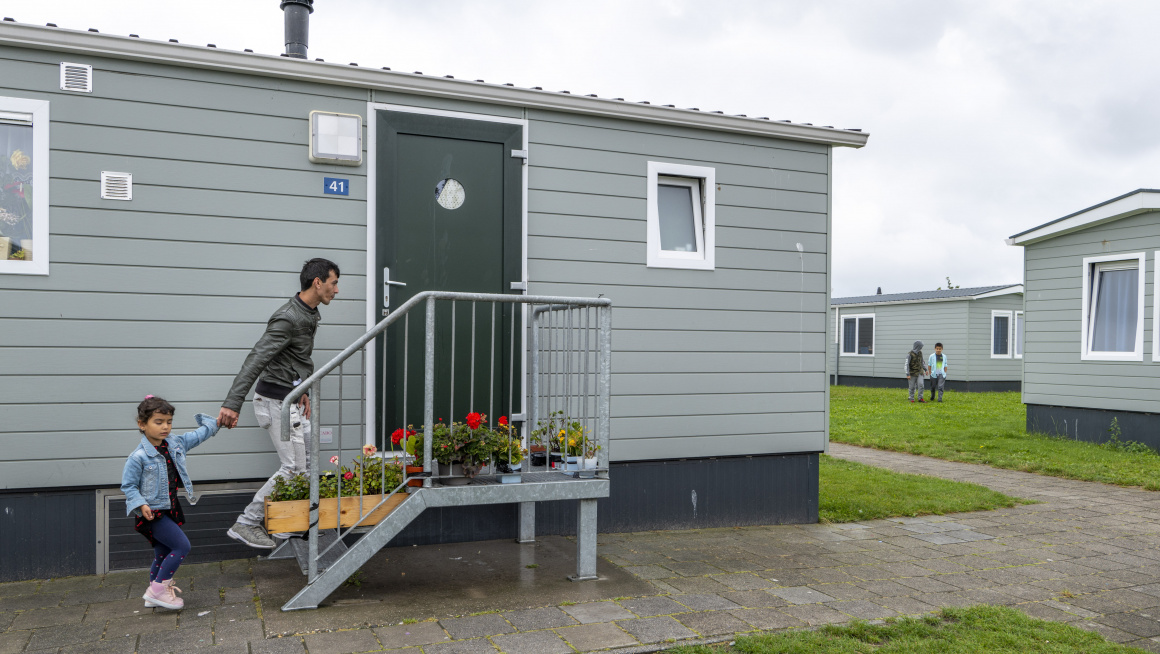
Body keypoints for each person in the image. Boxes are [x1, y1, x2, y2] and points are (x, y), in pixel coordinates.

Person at [218, 258, 340, 549]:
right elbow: (257, 359)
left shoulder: (308, 312)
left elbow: (294, 359)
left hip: (291, 397)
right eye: (334, 283)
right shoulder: (288, 317)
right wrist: (232, 403)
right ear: (317, 282)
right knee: (293, 468)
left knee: (308, 463)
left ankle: (288, 527)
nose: (337, 290)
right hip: (275, 401)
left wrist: (302, 389)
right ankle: (246, 523)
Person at [121, 396, 220, 610]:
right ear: (142, 424)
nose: (165, 427)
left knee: (162, 553)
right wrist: (141, 504)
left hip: (170, 509)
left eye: (169, 421)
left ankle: (152, 595)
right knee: (181, 546)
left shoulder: (175, 444)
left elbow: (197, 436)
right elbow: (128, 486)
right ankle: (158, 591)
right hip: (152, 513)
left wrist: (215, 424)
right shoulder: (138, 457)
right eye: (158, 422)